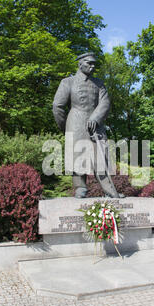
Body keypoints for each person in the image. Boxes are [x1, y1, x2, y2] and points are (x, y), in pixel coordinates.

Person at [53, 52, 120, 198]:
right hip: (75, 122)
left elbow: (105, 102)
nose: (93, 66)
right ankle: (80, 188)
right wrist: (65, 127)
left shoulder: (99, 83)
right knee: (77, 157)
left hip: (96, 125)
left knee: (101, 158)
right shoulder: (67, 82)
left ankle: (110, 191)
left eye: (94, 63)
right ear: (80, 63)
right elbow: (57, 106)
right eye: (89, 63)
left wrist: (96, 118)